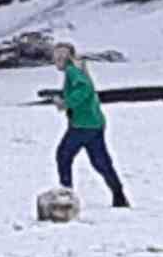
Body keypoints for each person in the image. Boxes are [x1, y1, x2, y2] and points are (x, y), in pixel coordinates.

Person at [52, 43, 129, 208]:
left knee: (63, 155)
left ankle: (67, 197)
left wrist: (66, 103)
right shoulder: (77, 69)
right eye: (55, 55)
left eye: (61, 55)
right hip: (95, 123)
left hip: (83, 125)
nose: (57, 59)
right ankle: (119, 195)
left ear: (68, 56)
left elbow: (84, 88)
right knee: (100, 162)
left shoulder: (72, 71)